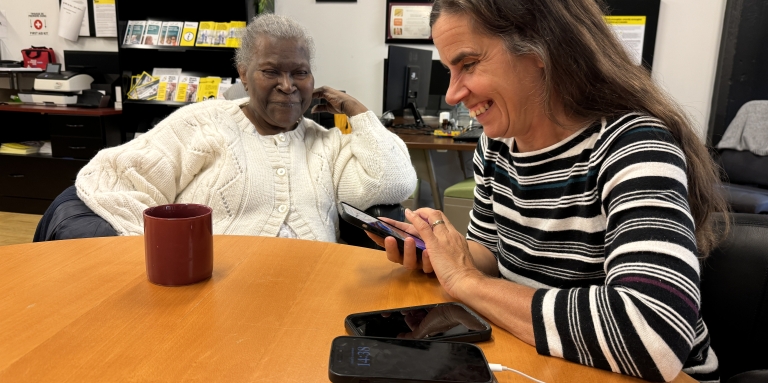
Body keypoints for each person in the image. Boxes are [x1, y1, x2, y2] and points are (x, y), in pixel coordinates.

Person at [368, 0, 727, 382]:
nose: (453, 94)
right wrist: (442, 249)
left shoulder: (633, 147)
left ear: (540, 48)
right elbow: (489, 252)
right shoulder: (497, 147)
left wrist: (467, 282)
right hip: (544, 355)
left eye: (468, 64)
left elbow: (653, 335)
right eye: (449, 71)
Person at [75, 14, 417, 242]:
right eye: (271, 72)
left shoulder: (326, 143)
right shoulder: (201, 123)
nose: (288, 85)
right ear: (244, 75)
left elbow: (392, 183)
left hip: (313, 288)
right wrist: (166, 255)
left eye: (299, 72)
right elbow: (114, 180)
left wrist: (359, 113)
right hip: (218, 296)